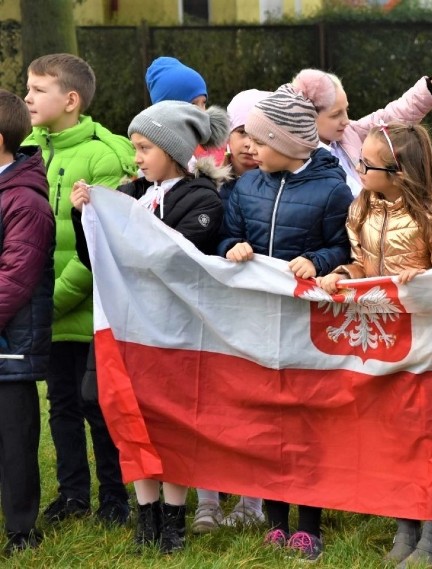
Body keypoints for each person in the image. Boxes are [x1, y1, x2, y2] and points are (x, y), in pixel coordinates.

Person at [70, 100, 229, 553]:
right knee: (129, 414)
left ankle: (174, 517)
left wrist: (121, 223)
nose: (136, 157)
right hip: (128, 331)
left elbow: (171, 259)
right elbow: (99, 261)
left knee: (170, 420)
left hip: (173, 334)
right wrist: (86, 219)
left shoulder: (201, 199)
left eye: (144, 147)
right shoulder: (131, 193)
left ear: (173, 149)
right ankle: (147, 514)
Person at [316, 121, 432, 569]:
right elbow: (360, 262)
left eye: (367, 164)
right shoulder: (361, 207)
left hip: (431, 341)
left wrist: (428, 278)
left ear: (398, 172)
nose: (359, 170)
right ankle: (406, 529)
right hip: (385, 339)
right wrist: (343, 275)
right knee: (395, 438)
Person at [219, 83, 353, 562]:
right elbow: (227, 236)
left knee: (305, 424)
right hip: (257, 322)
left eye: (260, 140)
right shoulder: (245, 186)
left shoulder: (333, 190)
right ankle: (276, 521)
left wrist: (315, 259)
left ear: (290, 143)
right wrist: (230, 248)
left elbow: (344, 248)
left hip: (306, 326)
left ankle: (310, 524)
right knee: (266, 422)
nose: (249, 148)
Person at [22, 52, 136, 526]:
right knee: (61, 405)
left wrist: (49, 300)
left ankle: (115, 499)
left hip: (87, 312)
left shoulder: (103, 156)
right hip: (45, 310)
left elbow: (99, 246)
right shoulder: (27, 148)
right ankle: (73, 497)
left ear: (70, 100)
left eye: (38, 89)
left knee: (99, 407)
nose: (26, 97)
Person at [191, 88, 272, 534]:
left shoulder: (277, 186)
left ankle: (251, 501)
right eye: (241, 132)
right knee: (210, 403)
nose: (248, 145)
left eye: (259, 136)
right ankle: (207, 501)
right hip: (212, 313)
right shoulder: (204, 186)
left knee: (254, 405)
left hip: (259, 313)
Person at [0, 89, 55, 555]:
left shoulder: (25, 201)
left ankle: (21, 529)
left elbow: (15, 278)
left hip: (9, 345)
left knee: (15, 441)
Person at [292, 60, 432, 195]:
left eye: (346, 110)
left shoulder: (348, 134)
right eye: (335, 114)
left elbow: (395, 114)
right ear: (308, 116)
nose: (346, 120)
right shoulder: (294, 160)